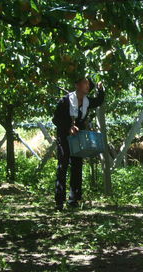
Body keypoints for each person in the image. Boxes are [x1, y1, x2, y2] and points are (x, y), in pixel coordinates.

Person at [52, 77, 105, 211]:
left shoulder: (87, 101)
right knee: (62, 166)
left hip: (78, 138)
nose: (87, 86)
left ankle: (74, 199)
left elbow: (99, 101)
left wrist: (100, 89)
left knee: (77, 165)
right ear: (77, 85)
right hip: (64, 137)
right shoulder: (65, 101)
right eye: (85, 83)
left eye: (89, 84)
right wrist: (68, 128)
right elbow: (56, 119)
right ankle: (59, 201)